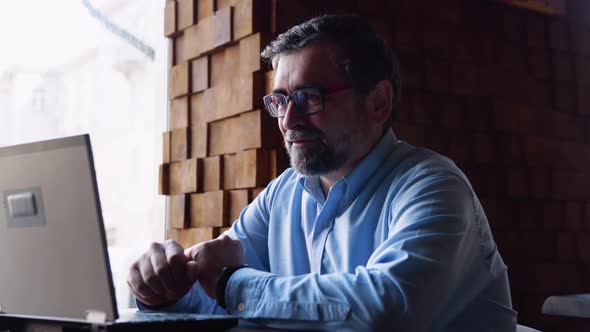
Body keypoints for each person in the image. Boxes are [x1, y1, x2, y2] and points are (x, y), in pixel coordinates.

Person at [128, 15, 517, 331]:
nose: (288, 120)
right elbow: (222, 304)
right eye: (280, 101)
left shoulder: (433, 187)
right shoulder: (283, 194)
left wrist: (232, 283)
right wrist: (165, 291)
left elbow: (389, 312)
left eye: (310, 98)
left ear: (378, 103)